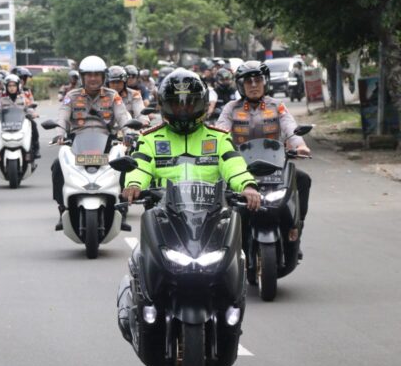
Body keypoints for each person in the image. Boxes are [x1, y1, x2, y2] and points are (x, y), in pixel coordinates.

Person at [122, 68, 261, 212]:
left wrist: (247, 186)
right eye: (176, 105)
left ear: (203, 103)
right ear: (164, 105)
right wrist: (134, 184)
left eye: (190, 104)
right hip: (163, 214)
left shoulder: (218, 138)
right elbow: (140, 166)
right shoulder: (150, 139)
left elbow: (234, 165)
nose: (183, 110)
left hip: (211, 215)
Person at [216, 60, 311, 241]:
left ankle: (296, 226)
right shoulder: (231, 108)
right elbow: (221, 131)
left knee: (303, 180)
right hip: (241, 168)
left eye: (258, 80)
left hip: (274, 166)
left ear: (265, 82)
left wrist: (300, 145)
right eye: (248, 81)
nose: (253, 85)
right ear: (240, 85)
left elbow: (290, 126)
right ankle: (223, 235)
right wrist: (217, 147)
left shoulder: (277, 106)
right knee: (219, 187)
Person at [52, 55, 131, 230]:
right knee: (57, 166)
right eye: (89, 75)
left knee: (125, 163)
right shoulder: (71, 96)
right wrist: (59, 134)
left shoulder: (113, 96)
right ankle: (62, 208)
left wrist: (129, 133)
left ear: (103, 77)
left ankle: (122, 209)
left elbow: (123, 117)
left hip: (107, 142)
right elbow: (62, 117)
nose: (93, 78)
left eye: (97, 74)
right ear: (82, 76)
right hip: (77, 143)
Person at [0, 73, 41, 159]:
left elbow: (29, 107)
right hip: (5, 123)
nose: (11, 88)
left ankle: (35, 148)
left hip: (20, 123)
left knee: (33, 124)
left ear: (18, 86)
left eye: (14, 85)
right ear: (6, 87)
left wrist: (33, 114)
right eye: (9, 86)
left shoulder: (23, 98)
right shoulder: (1, 98)